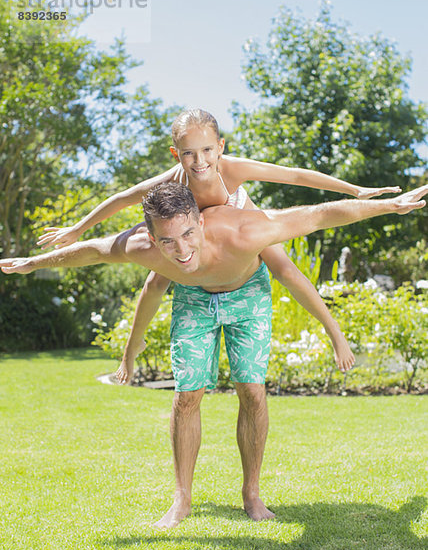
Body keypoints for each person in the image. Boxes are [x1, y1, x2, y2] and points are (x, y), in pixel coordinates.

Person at [2, 182, 426, 529]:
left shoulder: (245, 230)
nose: (182, 250)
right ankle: (182, 499)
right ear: (152, 239)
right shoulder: (140, 248)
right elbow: (91, 251)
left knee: (253, 391)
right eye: (167, 241)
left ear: (201, 222)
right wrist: (31, 264)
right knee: (187, 394)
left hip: (248, 296)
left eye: (189, 234)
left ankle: (252, 494)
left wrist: (391, 206)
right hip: (193, 300)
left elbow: (317, 215)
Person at [36, 109, 402, 383]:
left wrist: (356, 190)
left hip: (238, 215)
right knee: (155, 281)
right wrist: (77, 228)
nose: (200, 162)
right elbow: (123, 197)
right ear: (175, 153)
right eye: (188, 153)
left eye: (207, 150)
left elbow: (295, 176)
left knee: (284, 268)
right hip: (195, 232)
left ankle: (334, 333)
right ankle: (132, 350)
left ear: (220, 147)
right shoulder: (175, 177)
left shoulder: (232, 168)